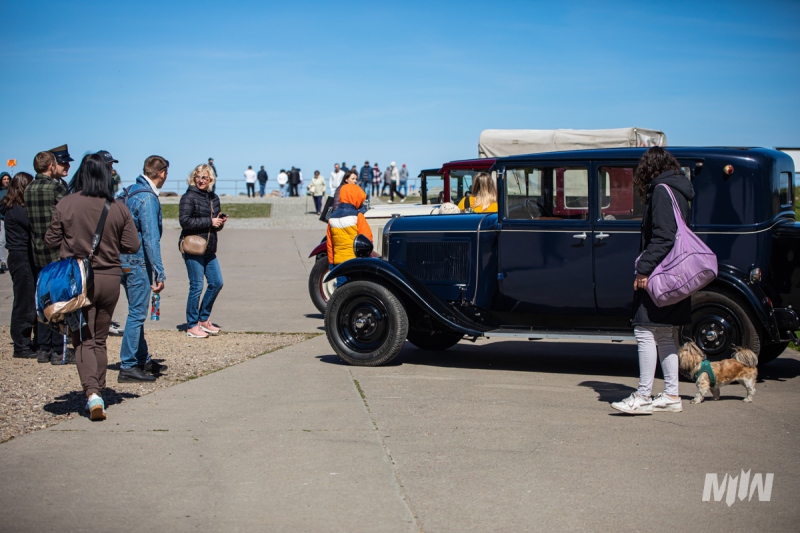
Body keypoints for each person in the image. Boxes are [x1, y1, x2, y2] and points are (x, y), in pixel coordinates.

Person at [45, 154, 140, 421]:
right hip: (109, 278)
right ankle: (99, 388)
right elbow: (132, 245)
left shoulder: (67, 203)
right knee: (100, 337)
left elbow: (50, 239)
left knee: (82, 339)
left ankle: (92, 393)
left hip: (78, 279)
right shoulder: (117, 207)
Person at [611, 147, 694, 415]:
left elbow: (664, 237)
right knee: (665, 333)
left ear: (649, 168)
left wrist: (643, 269)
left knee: (644, 330)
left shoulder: (660, 191)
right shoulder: (679, 190)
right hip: (675, 274)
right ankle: (671, 394)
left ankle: (644, 395)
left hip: (659, 273)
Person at [118, 156, 170, 383]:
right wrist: (159, 271)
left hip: (121, 260)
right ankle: (128, 365)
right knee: (137, 314)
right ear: (162, 173)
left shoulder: (129, 191)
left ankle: (142, 358)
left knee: (135, 311)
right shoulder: (147, 198)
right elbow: (150, 238)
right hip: (137, 261)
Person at [25, 151, 72, 364]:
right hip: (57, 249)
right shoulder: (56, 187)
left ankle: (43, 348)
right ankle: (57, 349)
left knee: (42, 298)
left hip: (37, 249)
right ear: (51, 166)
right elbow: (68, 214)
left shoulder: (29, 189)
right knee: (59, 300)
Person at [179, 164, 226, 338]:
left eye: (204, 177)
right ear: (193, 178)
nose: (201, 180)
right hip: (193, 247)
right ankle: (192, 325)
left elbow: (214, 225)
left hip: (209, 248)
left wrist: (219, 223)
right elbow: (185, 222)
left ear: (210, 180)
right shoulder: (188, 197)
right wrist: (209, 221)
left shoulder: (214, 198)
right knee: (197, 286)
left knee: (217, 282)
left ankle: (203, 319)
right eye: (198, 176)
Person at [1, 173, 37, 357]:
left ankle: (24, 342)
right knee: (24, 302)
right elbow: (34, 225)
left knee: (26, 299)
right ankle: (21, 345)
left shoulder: (12, 207)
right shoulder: (17, 209)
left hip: (20, 256)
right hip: (20, 256)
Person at [326, 183, 373, 275]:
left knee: (341, 287)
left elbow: (329, 243)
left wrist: (331, 262)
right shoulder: (357, 216)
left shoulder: (332, 218)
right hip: (355, 261)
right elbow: (367, 239)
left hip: (338, 262)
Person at [0, 171, 9, 274]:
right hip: (1, 220)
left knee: (8, 241)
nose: (6, 181)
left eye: (7, 179)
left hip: (10, 220)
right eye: (4, 179)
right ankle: (3, 261)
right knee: (1, 242)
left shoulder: (11, 191)